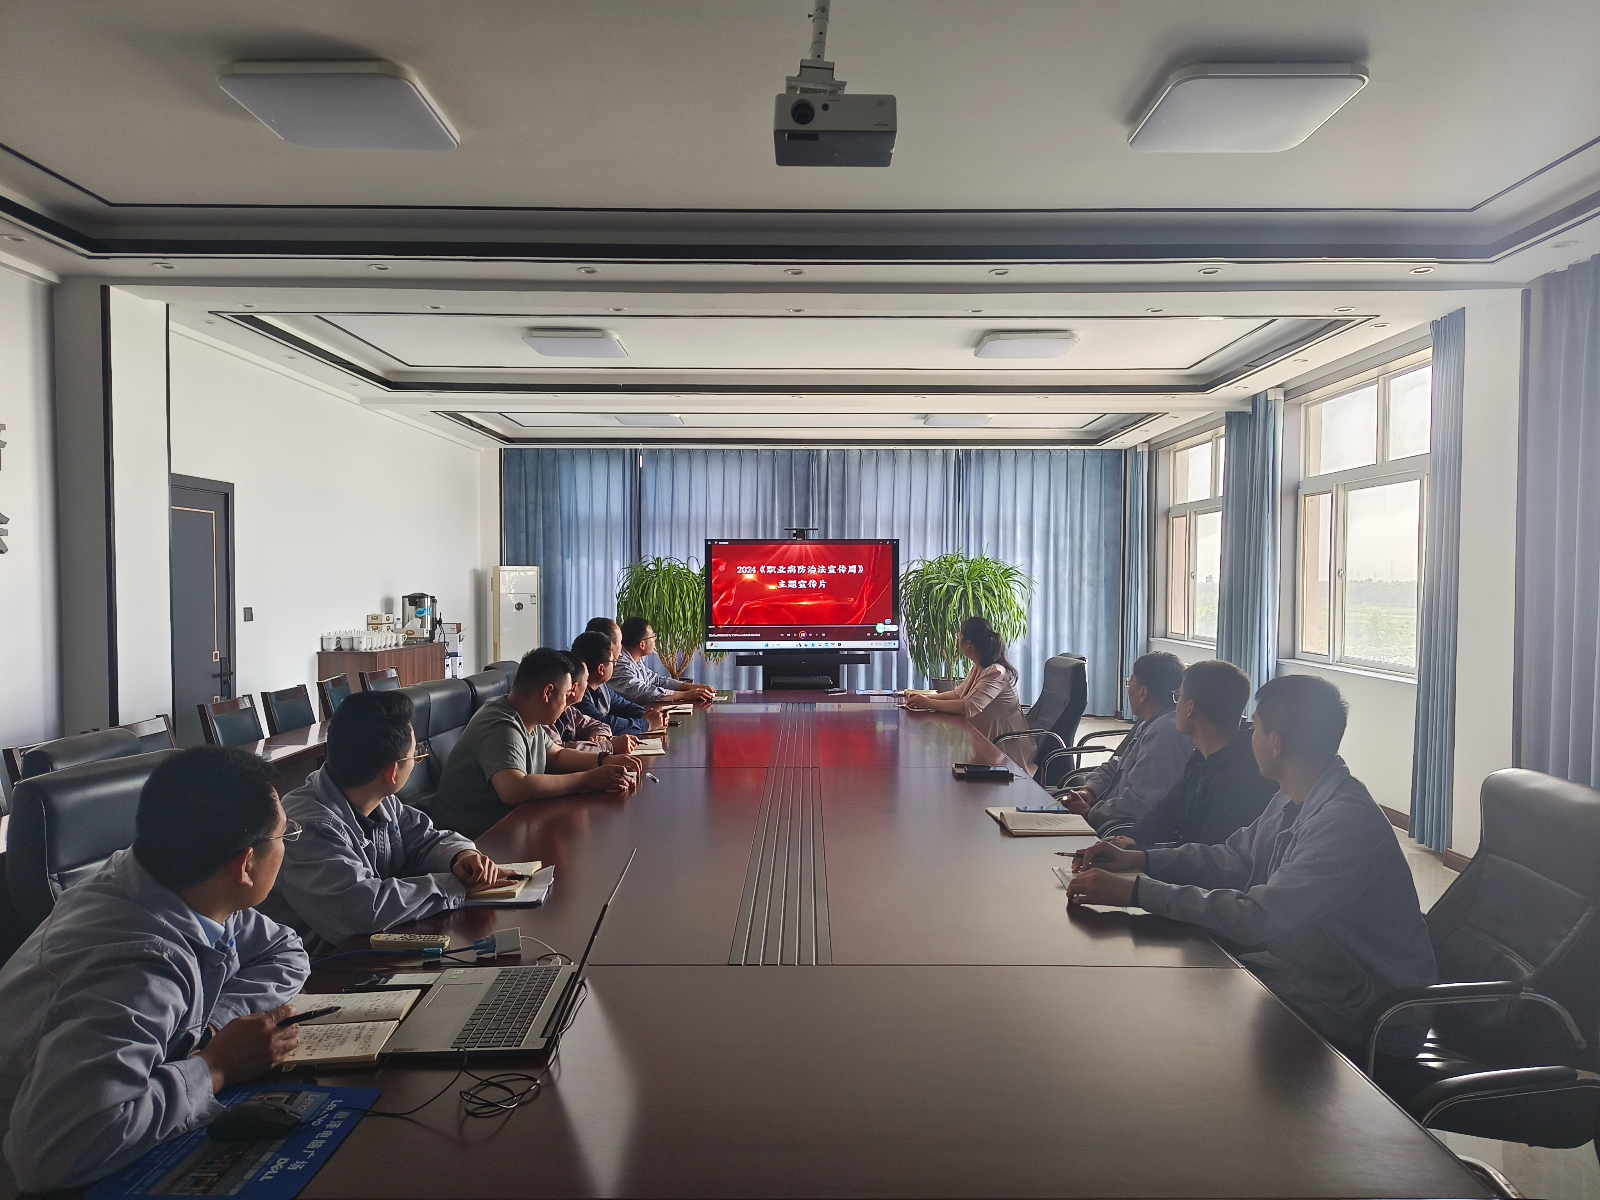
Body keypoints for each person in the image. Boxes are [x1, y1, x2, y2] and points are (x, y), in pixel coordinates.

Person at [1066, 674, 1438, 1057]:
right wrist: (1140, 859)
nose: (1249, 739)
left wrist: (1137, 891)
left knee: (1184, 1019)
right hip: (1316, 975)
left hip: (1366, 1010)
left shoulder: (1343, 824)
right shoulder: (1293, 796)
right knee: (1180, 998)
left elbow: (1257, 917)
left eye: (1255, 729)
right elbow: (1232, 858)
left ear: (1275, 743)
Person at [0, 747, 310, 1193]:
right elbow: (58, 1152)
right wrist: (217, 1065)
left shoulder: (179, 886)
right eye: (286, 834)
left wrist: (214, 1028)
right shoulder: (134, 967)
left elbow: (285, 951)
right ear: (245, 865)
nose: (287, 843)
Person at [260, 691, 515, 956]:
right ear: (392, 772)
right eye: (416, 756)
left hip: (370, 949)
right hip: (318, 967)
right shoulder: (308, 828)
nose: (417, 762)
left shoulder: (377, 798)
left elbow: (424, 838)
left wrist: (461, 856)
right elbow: (364, 910)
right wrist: (453, 886)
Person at [432, 647, 644, 838]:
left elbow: (556, 755)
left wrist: (604, 761)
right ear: (548, 692)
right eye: (565, 695)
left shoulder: (528, 719)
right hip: (475, 842)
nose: (566, 704)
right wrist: (588, 779)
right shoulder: (500, 724)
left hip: (513, 826)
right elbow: (514, 788)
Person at [1116, 659, 1277, 849]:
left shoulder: (1240, 779)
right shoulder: (1201, 756)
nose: (1175, 705)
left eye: (1178, 697)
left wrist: (1141, 858)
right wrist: (1133, 839)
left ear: (1190, 708)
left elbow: (1209, 855)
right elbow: (1168, 809)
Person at [1057, 651, 1191, 833]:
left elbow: (1141, 803)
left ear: (1143, 692)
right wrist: (1089, 791)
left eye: (1130, 683)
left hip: (1116, 832)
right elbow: (1117, 765)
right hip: (1105, 818)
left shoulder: (1163, 734)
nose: (1128, 690)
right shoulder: (1150, 722)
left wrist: (1090, 813)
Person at [902, 616, 1033, 769]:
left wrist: (928, 703)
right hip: (986, 741)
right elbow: (958, 694)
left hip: (1005, 750)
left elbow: (966, 707)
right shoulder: (980, 666)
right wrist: (924, 698)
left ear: (968, 643)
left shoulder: (996, 672)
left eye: (960, 636)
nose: (957, 640)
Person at [570, 630, 667, 735]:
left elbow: (623, 706)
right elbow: (602, 723)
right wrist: (647, 724)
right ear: (601, 669)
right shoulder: (577, 695)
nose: (615, 665)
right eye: (613, 661)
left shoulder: (602, 687)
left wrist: (648, 715)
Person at [611, 617, 716, 704]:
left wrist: (692, 687)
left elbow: (657, 680)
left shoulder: (635, 660)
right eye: (653, 637)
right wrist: (684, 695)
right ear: (642, 645)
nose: (655, 640)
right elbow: (642, 692)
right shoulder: (622, 664)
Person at [550, 652, 637, 753]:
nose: (587, 685)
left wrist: (600, 735)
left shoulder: (570, 711)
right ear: (573, 688)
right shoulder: (544, 719)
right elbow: (558, 751)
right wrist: (609, 746)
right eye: (586, 680)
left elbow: (599, 725)